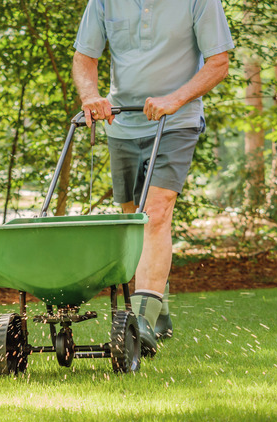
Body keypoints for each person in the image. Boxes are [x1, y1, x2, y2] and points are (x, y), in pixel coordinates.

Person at [72, 0, 234, 356]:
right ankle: (159, 308)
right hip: (122, 122)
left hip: (176, 121)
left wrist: (176, 98)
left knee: (156, 213)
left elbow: (219, 63)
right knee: (133, 221)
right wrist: (91, 95)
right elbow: (85, 56)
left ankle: (141, 322)